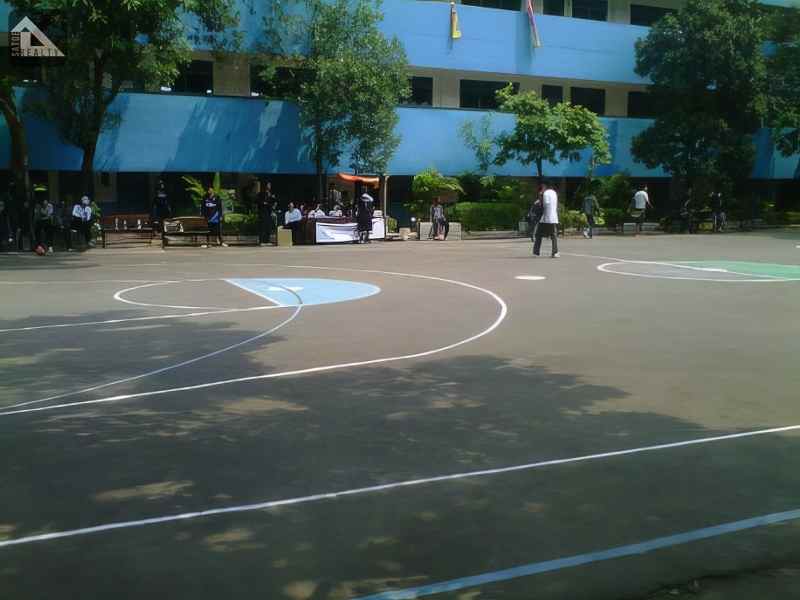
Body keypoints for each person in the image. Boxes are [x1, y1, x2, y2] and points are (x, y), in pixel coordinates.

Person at [533, 180, 560, 258]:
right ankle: (555, 252)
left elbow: (544, 205)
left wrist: (539, 198)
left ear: (544, 186)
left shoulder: (545, 194)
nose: (541, 188)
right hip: (552, 217)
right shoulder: (554, 193)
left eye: (542, 187)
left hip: (545, 217)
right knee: (553, 236)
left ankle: (536, 251)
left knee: (539, 235)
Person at [257, 180, 276, 246]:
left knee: (268, 226)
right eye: (268, 185)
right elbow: (258, 202)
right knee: (262, 227)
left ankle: (267, 241)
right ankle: (261, 241)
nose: (269, 186)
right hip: (263, 212)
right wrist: (264, 203)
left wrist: (272, 199)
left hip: (269, 212)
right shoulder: (261, 193)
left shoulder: (271, 194)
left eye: (270, 185)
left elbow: (272, 202)